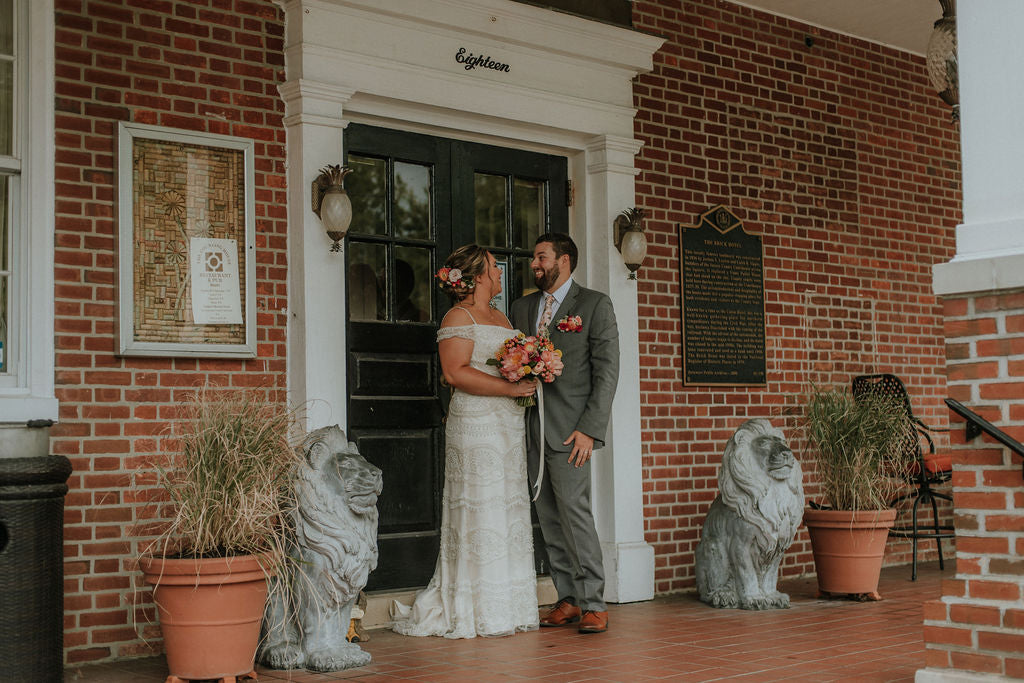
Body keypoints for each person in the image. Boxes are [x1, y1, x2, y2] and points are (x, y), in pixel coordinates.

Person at [391, 244, 539, 639]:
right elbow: (455, 373)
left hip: (508, 426)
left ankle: (506, 604)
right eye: (494, 267)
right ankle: (474, 607)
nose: (501, 272)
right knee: (479, 506)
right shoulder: (458, 316)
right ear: (477, 276)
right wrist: (509, 390)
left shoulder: (502, 315)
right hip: (475, 425)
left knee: (506, 507)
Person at [509, 232, 620, 634]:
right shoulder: (522, 308)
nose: (535, 265)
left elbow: (607, 374)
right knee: (548, 516)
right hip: (528, 429)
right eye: (534, 258)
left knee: (575, 514)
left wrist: (590, 430)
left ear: (565, 260)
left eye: (542, 258)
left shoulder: (593, 305)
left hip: (573, 433)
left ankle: (594, 602)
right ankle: (568, 598)